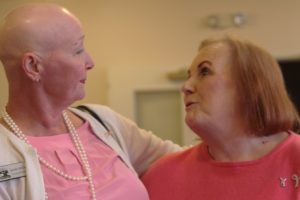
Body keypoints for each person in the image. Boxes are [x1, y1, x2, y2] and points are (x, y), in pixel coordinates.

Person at [0, 3, 181, 200]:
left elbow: (187, 161)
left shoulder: (104, 122)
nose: (90, 62)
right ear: (33, 66)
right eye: (77, 51)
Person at [142, 35, 300, 200]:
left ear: (251, 86)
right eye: (188, 76)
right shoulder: (163, 174)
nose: (186, 87)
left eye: (204, 72)